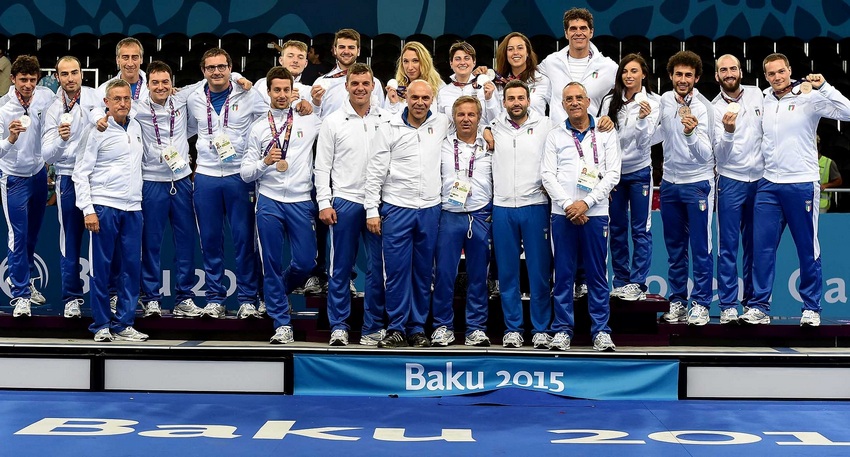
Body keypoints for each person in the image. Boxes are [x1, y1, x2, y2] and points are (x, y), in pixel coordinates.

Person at [743, 53, 850, 327]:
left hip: (802, 182)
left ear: (789, 70)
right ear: (765, 76)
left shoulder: (809, 97)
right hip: (768, 184)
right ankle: (758, 307)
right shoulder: (763, 100)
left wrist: (823, 86)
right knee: (761, 249)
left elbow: (847, 112)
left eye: (781, 71)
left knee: (807, 248)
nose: (777, 77)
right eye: (771, 74)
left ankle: (811, 308)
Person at [365, 80, 450, 348]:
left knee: (424, 273)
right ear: (406, 98)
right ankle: (397, 327)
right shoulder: (389, 127)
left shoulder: (442, 124)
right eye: (415, 97)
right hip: (397, 207)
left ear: (432, 98)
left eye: (425, 98)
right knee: (397, 272)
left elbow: (473, 125)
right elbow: (375, 170)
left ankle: (416, 328)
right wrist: (371, 210)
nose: (420, 102)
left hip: (430, 209)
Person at [242, 66, 321, 344]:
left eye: (287, 90)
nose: (282, 95)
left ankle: (273, 293)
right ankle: (281, 322)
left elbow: (334, 121)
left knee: (305, 261)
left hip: (300, 200)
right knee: (271, 264)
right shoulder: (259, 127)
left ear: (292, 91)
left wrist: (313, 104)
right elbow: (245, 172)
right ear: (269, 91)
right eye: (277, 90)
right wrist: (265, 162)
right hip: (270, 201)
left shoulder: (309, 121)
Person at [541, 82, 621, 351]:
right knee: (563, 274)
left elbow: (613, 174)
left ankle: (600, 330)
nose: (574, 102)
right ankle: (562, 329)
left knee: (597, 275)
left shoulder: (606, 132)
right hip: (562, 214)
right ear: (563, 105)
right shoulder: (554, 136)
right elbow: (547, 175)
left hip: (595, 214)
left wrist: (585, 203)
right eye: (568, 99)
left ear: (588, 101)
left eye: (579, 98)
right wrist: (568, 205)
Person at [186, 47, 265, 318]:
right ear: (203, 71)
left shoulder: (249, 93)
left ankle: (247, 299)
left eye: (222, 66)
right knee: (210, 240)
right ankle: (215, 299)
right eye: (210, 67)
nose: (216, 72)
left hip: (239, 176)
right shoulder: (194, 97)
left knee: (244, 239)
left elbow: (271, 120)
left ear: (231, 68)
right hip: (206, 176)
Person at [315, 63, 388, 346]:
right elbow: (322, 167)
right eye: (354, 83)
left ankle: (372, 327)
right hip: (344, 201)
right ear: (346, 86)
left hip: (378, 205)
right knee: (340, 268)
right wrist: (324, 202)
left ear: (373, 86)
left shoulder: (386, 118)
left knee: (377, 269)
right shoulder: (332, 121)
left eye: (365, 83)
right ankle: (339, 327)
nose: (360, 88)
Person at [73, 79, 148, 342]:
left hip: (133, 208)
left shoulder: (137, 126)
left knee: (130, 268)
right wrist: (88, 210)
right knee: (101, 270)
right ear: (106, 102)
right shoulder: (97, 130)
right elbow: (80, 173)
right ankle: (102, 324)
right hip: (104, 206)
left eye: (126, 98)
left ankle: (124, 323)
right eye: (117, 99)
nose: (123, 103)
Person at [133, 60, 203, 318]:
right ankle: (151, 297)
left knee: (185, 241)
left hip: (182, 181)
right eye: (155, 83)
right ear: (147, 85)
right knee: (151, 242)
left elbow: (207, 79)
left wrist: (241, 78)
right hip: (151, 181)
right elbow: (104, 110)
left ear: (172, 83)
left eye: (165, 82)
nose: (161, 87)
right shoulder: (137, 107)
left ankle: (185, 297)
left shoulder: (182, 99)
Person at [490, 80, 557, 348]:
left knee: (539, 271)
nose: (516, 102)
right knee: (507, 273)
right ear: (504, 102)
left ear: (528, 100)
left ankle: (541, 328)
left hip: (535, 205)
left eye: (520, 98)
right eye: (511, 98)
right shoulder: (494, 126)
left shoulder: (546, 126)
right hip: (503, 206)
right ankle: (513, 328)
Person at [656, 51, 716, 326]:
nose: (682, 79)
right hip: (669, 184)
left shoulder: (705, 108)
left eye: (688, 75)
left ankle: (701, 304)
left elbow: (706, 155)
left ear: (697, 78)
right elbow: (654, 137)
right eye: (678, 74)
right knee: (675, 249)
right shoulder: (664, 101)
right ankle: (678, 302)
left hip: (698, 184)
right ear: (670, 76)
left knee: (701, 247)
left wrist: (691, 134)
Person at [41, 56, 102, 318]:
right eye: (64, 74)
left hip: (96, 178)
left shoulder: (94, 97)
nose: (70, 78)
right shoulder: (54, 108)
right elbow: (47, 155)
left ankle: (107, 295)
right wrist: (62, 141)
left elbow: (108, 108)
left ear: (81, 74)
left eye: (74, 72)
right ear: (57, 77)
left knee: (102, 241)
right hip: (67, 178)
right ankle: (71, 299)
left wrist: (100, 119)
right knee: (70, 241)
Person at [431, 96, 493, 347]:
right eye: (461, 115)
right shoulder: (441, 144)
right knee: (445, 274)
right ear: (453, 117)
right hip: (449, 214)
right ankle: (442, 326)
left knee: (479, 276)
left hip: (480, 214)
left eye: (471, 114)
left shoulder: (491, 144)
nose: (466, 119)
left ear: (479, 118)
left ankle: (476, 328)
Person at [599, 53, 660, 302]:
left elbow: (646, 143)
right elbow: (602, 139)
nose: (629, 75)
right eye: (625, 71)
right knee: (616, 228)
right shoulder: (610, 101)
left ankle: (637, 283)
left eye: (634, 71)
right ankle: (621, 280)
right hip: (614, 174)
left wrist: (643, 120)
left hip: (639, 173)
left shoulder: (652, 103)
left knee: (641, 229)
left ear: (643, 74)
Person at [711, 54, 764, 324]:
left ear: (741, 71)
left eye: (733, 68)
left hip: (762, 181)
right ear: (717, 76)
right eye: (723, 70)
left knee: (756, 245)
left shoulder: (758, 95)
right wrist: (729, 131)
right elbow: (718, 154)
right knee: (728, 246)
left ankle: (754, 304)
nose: (729, 73)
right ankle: (729, 304)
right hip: (730, 180)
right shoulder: (713, 108)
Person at [0, 55, 53, 317]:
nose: (28, 84)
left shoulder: (45, 97)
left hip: (38, 174)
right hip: (13, 178)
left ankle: (27, 283)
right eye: (23, 79)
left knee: (32, 234)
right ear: (13, 79)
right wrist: (10, 138)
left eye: (33, 79)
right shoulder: (2, 108)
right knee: (17, 236)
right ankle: (20, 295)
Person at [538, 7, 618, 124]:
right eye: (573, 29)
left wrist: (608, 118)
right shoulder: (551, 62)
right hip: (558, 136)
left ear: (591, 32)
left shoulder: (608, 66)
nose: (578, 33)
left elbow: (628, 88)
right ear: (566, 33)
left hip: (593, 136)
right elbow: (527, 74)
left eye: (583, 28)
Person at [311, 28, 385, 118]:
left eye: (351, 47)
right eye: (342, 47)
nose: (346, 51)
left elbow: (380, 116)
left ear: (358, 51)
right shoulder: (321, 83)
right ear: (335, 50)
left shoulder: (374, 83)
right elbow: (313, 119)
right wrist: (315, 104)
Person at [437, 42, 498, 124]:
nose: (462, 62)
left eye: (466, 58)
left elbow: (496, 121)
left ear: (474, 62)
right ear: (451, 63)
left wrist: (489, 99)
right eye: (458, 59)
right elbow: (440, 124)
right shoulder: (443, 92)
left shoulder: (486, 86)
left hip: (482, 136)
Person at [492, 32, 550, 116]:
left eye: (520, 48)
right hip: (505, 128)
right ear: (505, 54)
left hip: (536, 128)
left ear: (527, 53)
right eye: (510, 49)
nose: (515, 52)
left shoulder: (542, 80)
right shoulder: (497, 82)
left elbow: (557, 108)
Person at [384, 41, 444, 114]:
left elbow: (443, 119)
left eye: (415, 61)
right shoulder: (395, 88)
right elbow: (387, 120)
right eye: (406, 61)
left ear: (425, 62)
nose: (410, 67)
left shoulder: (439, 86)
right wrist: (394, 105)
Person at [817, 135, 842, 213]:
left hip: (821, 204)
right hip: (804, 201)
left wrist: (826, 185)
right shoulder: (803, 162)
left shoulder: (828, 162)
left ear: (819, 147)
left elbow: (839, 181)